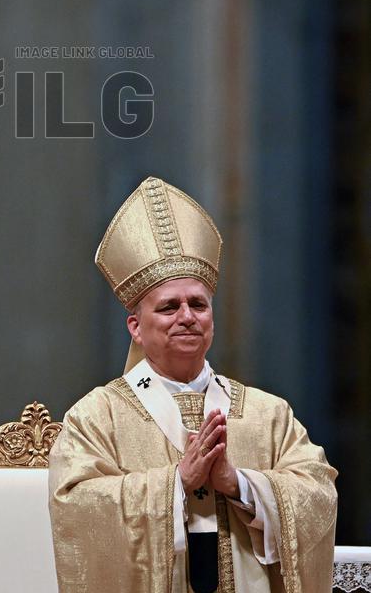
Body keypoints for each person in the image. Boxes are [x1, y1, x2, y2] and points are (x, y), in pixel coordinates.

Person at [48, 176, 337, 593]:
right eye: (169, 307)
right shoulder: (97, 417)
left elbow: (318, 491)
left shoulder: (267, 414)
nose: (187, 316)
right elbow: (74, 507)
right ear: (135, 327)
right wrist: (175, 484)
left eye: (198, 304)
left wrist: (237, 484)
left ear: (212, 319)